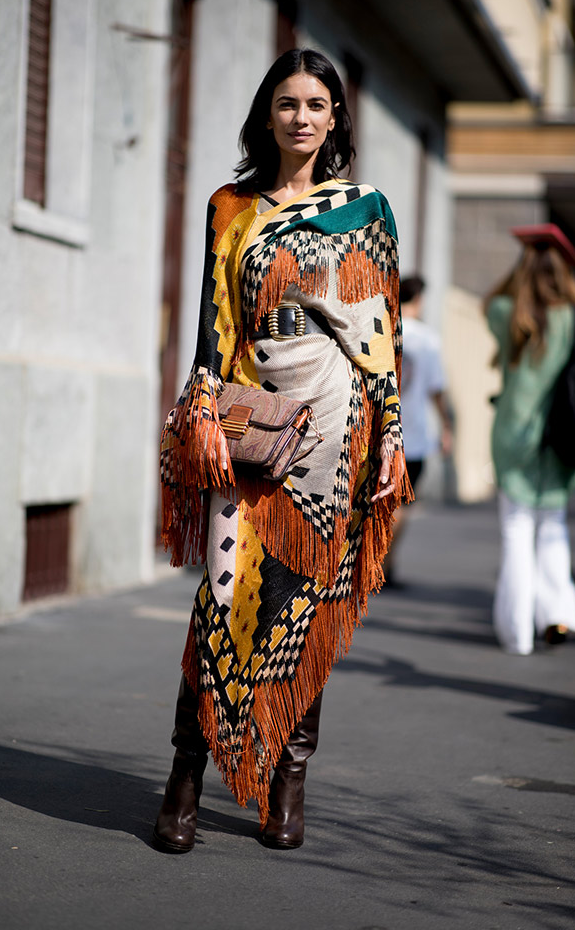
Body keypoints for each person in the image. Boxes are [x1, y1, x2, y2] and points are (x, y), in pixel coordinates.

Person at [154, 48, 412, 853]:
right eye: (286, 102)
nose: (301, 116)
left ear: (335, 118)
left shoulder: (363, 207)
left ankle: (285, 778)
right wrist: (200, 409)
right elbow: (210, 320)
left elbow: (380, 334)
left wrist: (389, 436)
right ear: (266, 113)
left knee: (304, 602)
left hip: (336, 424)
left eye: (316, 104)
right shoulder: (230, 205)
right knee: (223, 600)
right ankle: (188, 773)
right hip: (248, 416)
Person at [484, 224, 575, 656]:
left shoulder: (506, 311)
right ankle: (558, 614)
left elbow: (490, 299)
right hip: (561, 437)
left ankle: (518, 633)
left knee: (516, 531)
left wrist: (523, 268)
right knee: (553, 524)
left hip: (513, 434)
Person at [382, 275, 452, 586]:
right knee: (403, 506)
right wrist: (447, 427)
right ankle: (386, 562)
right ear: (420, 300)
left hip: (380, 434)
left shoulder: (384, 329)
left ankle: (372, 561)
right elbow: (437, 392)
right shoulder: (427, 339)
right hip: (415, 439)